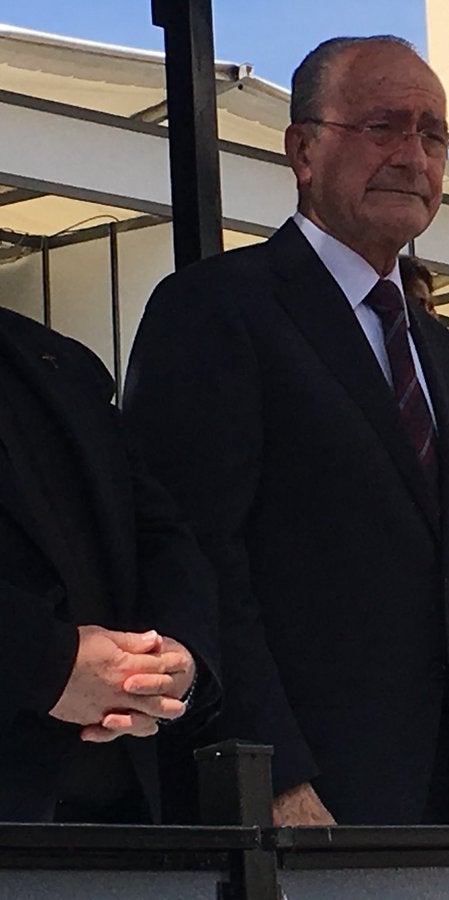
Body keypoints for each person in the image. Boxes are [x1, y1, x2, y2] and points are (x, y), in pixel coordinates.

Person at [123, 35, 449, 826]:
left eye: (434, 134)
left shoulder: (439, 351)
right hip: (295, 804)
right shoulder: (217, 310)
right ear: (303, 150)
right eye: (383, 127)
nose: (414, 156)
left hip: (441, 809)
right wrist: (270, 773)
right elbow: (196, 557)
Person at [0, 306, 216, 823]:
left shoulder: (60, 361)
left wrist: (174, 660)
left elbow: (161, 533)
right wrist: (45, 660)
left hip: (112, 812)